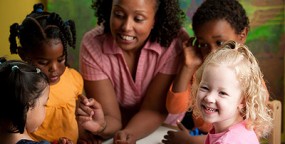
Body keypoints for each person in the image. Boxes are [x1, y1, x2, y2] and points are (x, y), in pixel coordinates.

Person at [76, 0, 188, 143]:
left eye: (138, 19)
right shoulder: (92, 44)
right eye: (119, 15)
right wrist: (101, 126)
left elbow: (154, 109)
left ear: (156, 19)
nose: (126, 27)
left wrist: (129, 134)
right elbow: (111, 117)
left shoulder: (174, 43)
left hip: (164, 130)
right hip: (114, 130)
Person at [163, 0, 258, 143]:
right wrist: (188, 66)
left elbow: (248, 131)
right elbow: (174, 108)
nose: (212, 52)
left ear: (242, 35)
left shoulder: (246, 76)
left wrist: (190, 141)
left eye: (220, 43)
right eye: (203, 44)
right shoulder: (203, 71)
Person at [168, 41, 273, 143]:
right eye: (205, 87)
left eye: (222, 93)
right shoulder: (236, 128)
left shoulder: (229, 140)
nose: (209, 98)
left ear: (243, 101)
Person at [8, 3, 83, 143]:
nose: (54, 68)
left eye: (61, 59)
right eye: (43, 62)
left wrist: (85, 132)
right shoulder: (23, 89)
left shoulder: (73, 78)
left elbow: (76, 116)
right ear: (23, 55)